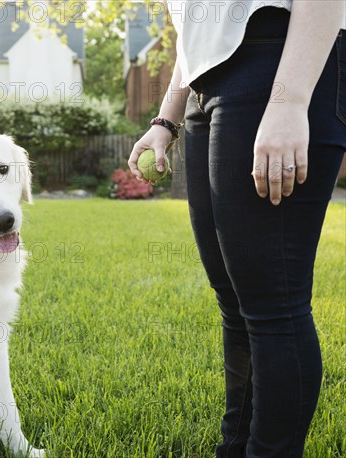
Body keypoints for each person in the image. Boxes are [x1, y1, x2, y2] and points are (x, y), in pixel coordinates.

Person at [128, 1, 346, 456]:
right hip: (208, 88)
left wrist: (289, 103)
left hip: (279, 63)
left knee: (274, 304)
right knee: (234, 297)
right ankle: (235, 447)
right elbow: (197, 34)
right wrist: (167, 118)